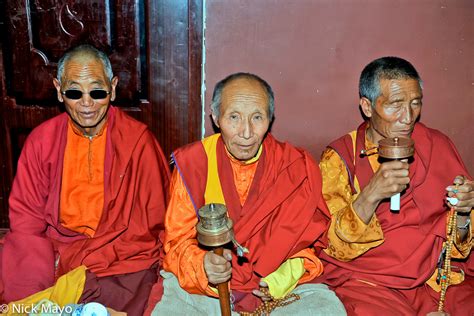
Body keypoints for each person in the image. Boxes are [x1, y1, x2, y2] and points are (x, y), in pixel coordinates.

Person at [151, 73, 345, 315]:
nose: (246, 133)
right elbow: (176, 242)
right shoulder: (195, 163)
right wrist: (203, 267)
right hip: (207, 288)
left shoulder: (294, 166)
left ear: (270, 119)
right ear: (215, 117)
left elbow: (309, 242)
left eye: (257, 118)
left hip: (277, 286)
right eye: (234, 117)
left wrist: (282, 277)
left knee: (326, 310)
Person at [1, 45, 170, 315]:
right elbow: (26, 222)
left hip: (119, 258)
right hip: (60, 252)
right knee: (22, 295)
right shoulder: (42, 142)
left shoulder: (138, 143)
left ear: (113, 88)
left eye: (97, 91)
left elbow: (156, 223)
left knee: (134, 294)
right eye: (74, 92)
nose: (87, 103)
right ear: (58, 90)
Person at [315, 56, 473, 315]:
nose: (408, 117)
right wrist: (371, 193)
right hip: (369, 282)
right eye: (395, 105)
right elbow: (333, 247)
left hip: (435, 278)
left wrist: (465, 213)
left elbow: (459, 247)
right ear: (367, 106)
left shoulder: (437, 145)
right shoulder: (341, 158)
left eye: (415, 104)